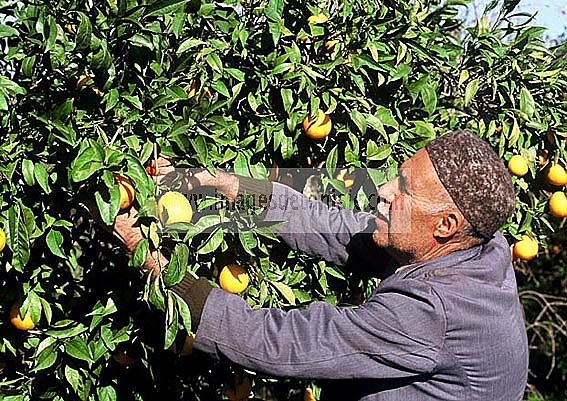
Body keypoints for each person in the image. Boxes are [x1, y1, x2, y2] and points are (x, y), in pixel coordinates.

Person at [107, 130, 528, 401]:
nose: (382, 191)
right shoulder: (480, 245)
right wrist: (232, 187)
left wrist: (159, 268)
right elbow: (336, 228)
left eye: (403, 189)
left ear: (446, 224)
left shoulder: (433, 311)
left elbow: (279, 342)